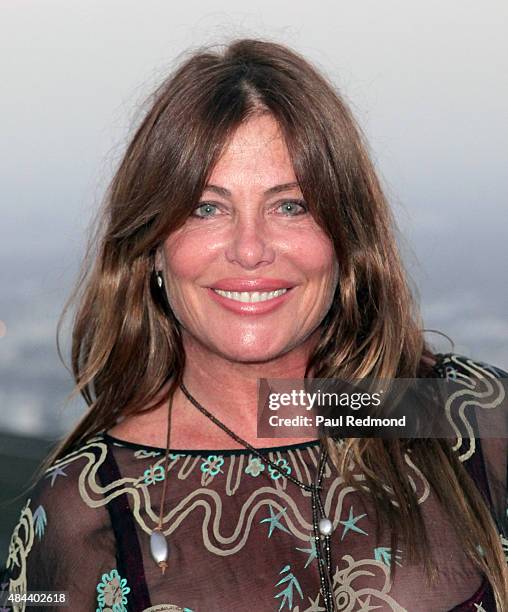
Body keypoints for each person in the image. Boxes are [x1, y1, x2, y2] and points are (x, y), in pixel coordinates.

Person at [1, 38, 507, 612]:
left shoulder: (462, 415)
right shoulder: (85, 509)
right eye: (205, 207)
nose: (249, 250)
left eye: (290, 205)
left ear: (345, 236)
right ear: (153, 247)